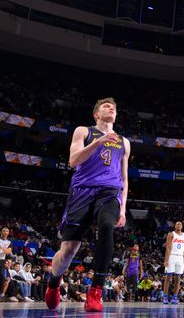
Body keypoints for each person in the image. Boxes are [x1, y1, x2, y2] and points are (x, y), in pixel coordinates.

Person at [45, 97, 131, 312]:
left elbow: (125, 178)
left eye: (114, 107)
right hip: (83, 191)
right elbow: (73, 161)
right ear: (97, 114)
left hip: (110, 193)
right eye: (106, 106)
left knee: (107, 226)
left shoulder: (124, 141)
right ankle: (54, 282)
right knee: (68, 251)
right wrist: (97, 143)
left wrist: (122, 207)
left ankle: (95, 291)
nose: (111, 108)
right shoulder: (83, 131)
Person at [163, 221, 184, 304]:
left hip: (180, 257)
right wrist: (166, 260)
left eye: (180, 224)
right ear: (175, 226)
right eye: (177, 224)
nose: (179, 225)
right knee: (168, 278)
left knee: (178, 278)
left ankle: (175, 297)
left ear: (182, 226)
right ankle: (165, 297)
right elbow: (168, 247)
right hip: (172, 256)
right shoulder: (171, 234)